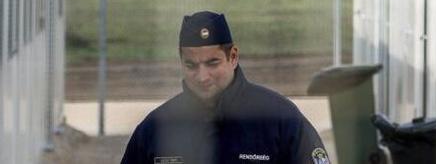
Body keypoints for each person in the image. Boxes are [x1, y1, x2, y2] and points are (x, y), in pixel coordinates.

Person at [120, 11, 330, 164]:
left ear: (233, 57)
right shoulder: (157, 128)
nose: (202, 77)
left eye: (212, 63)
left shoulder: (279, 118)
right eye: (191, 65)